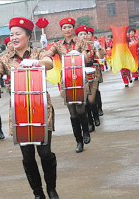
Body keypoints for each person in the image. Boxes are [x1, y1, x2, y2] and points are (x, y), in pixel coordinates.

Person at [0, 17, 59, 199]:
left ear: (28, 35)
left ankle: (51, 189)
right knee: (27, 156)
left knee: (45, 153)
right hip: (19, 110)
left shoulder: (38, 53)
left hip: (41, 108)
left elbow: (49, 63)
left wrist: (34, 63)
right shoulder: (5, 59)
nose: (14, 37)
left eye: (18, 33)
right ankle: (38, 194)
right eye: (11, 34)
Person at [46, 17, 90, 153]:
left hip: (80, 79)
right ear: (61, 30)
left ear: (73, 28)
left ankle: (86, 130)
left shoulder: (81, 41)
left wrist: (81, 55)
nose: (67, 30)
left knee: (81, 109)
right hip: (66, 80)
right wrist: (46, 55)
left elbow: (87, 57)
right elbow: (48, 54)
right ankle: (78, 140)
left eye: (69, 27)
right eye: (64, 27)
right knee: (72, 112)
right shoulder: (58, 45)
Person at [85, 27, 105, 131]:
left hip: (94, 71)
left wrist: (98, 48)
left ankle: (98, 111)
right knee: (85, 100)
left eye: (88, 34)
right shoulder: (77, 47)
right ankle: (90, 120)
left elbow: (101, 57)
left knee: (94, 93)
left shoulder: (93, 45)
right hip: (83, 73)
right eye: (83, 34)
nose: (86, 36)